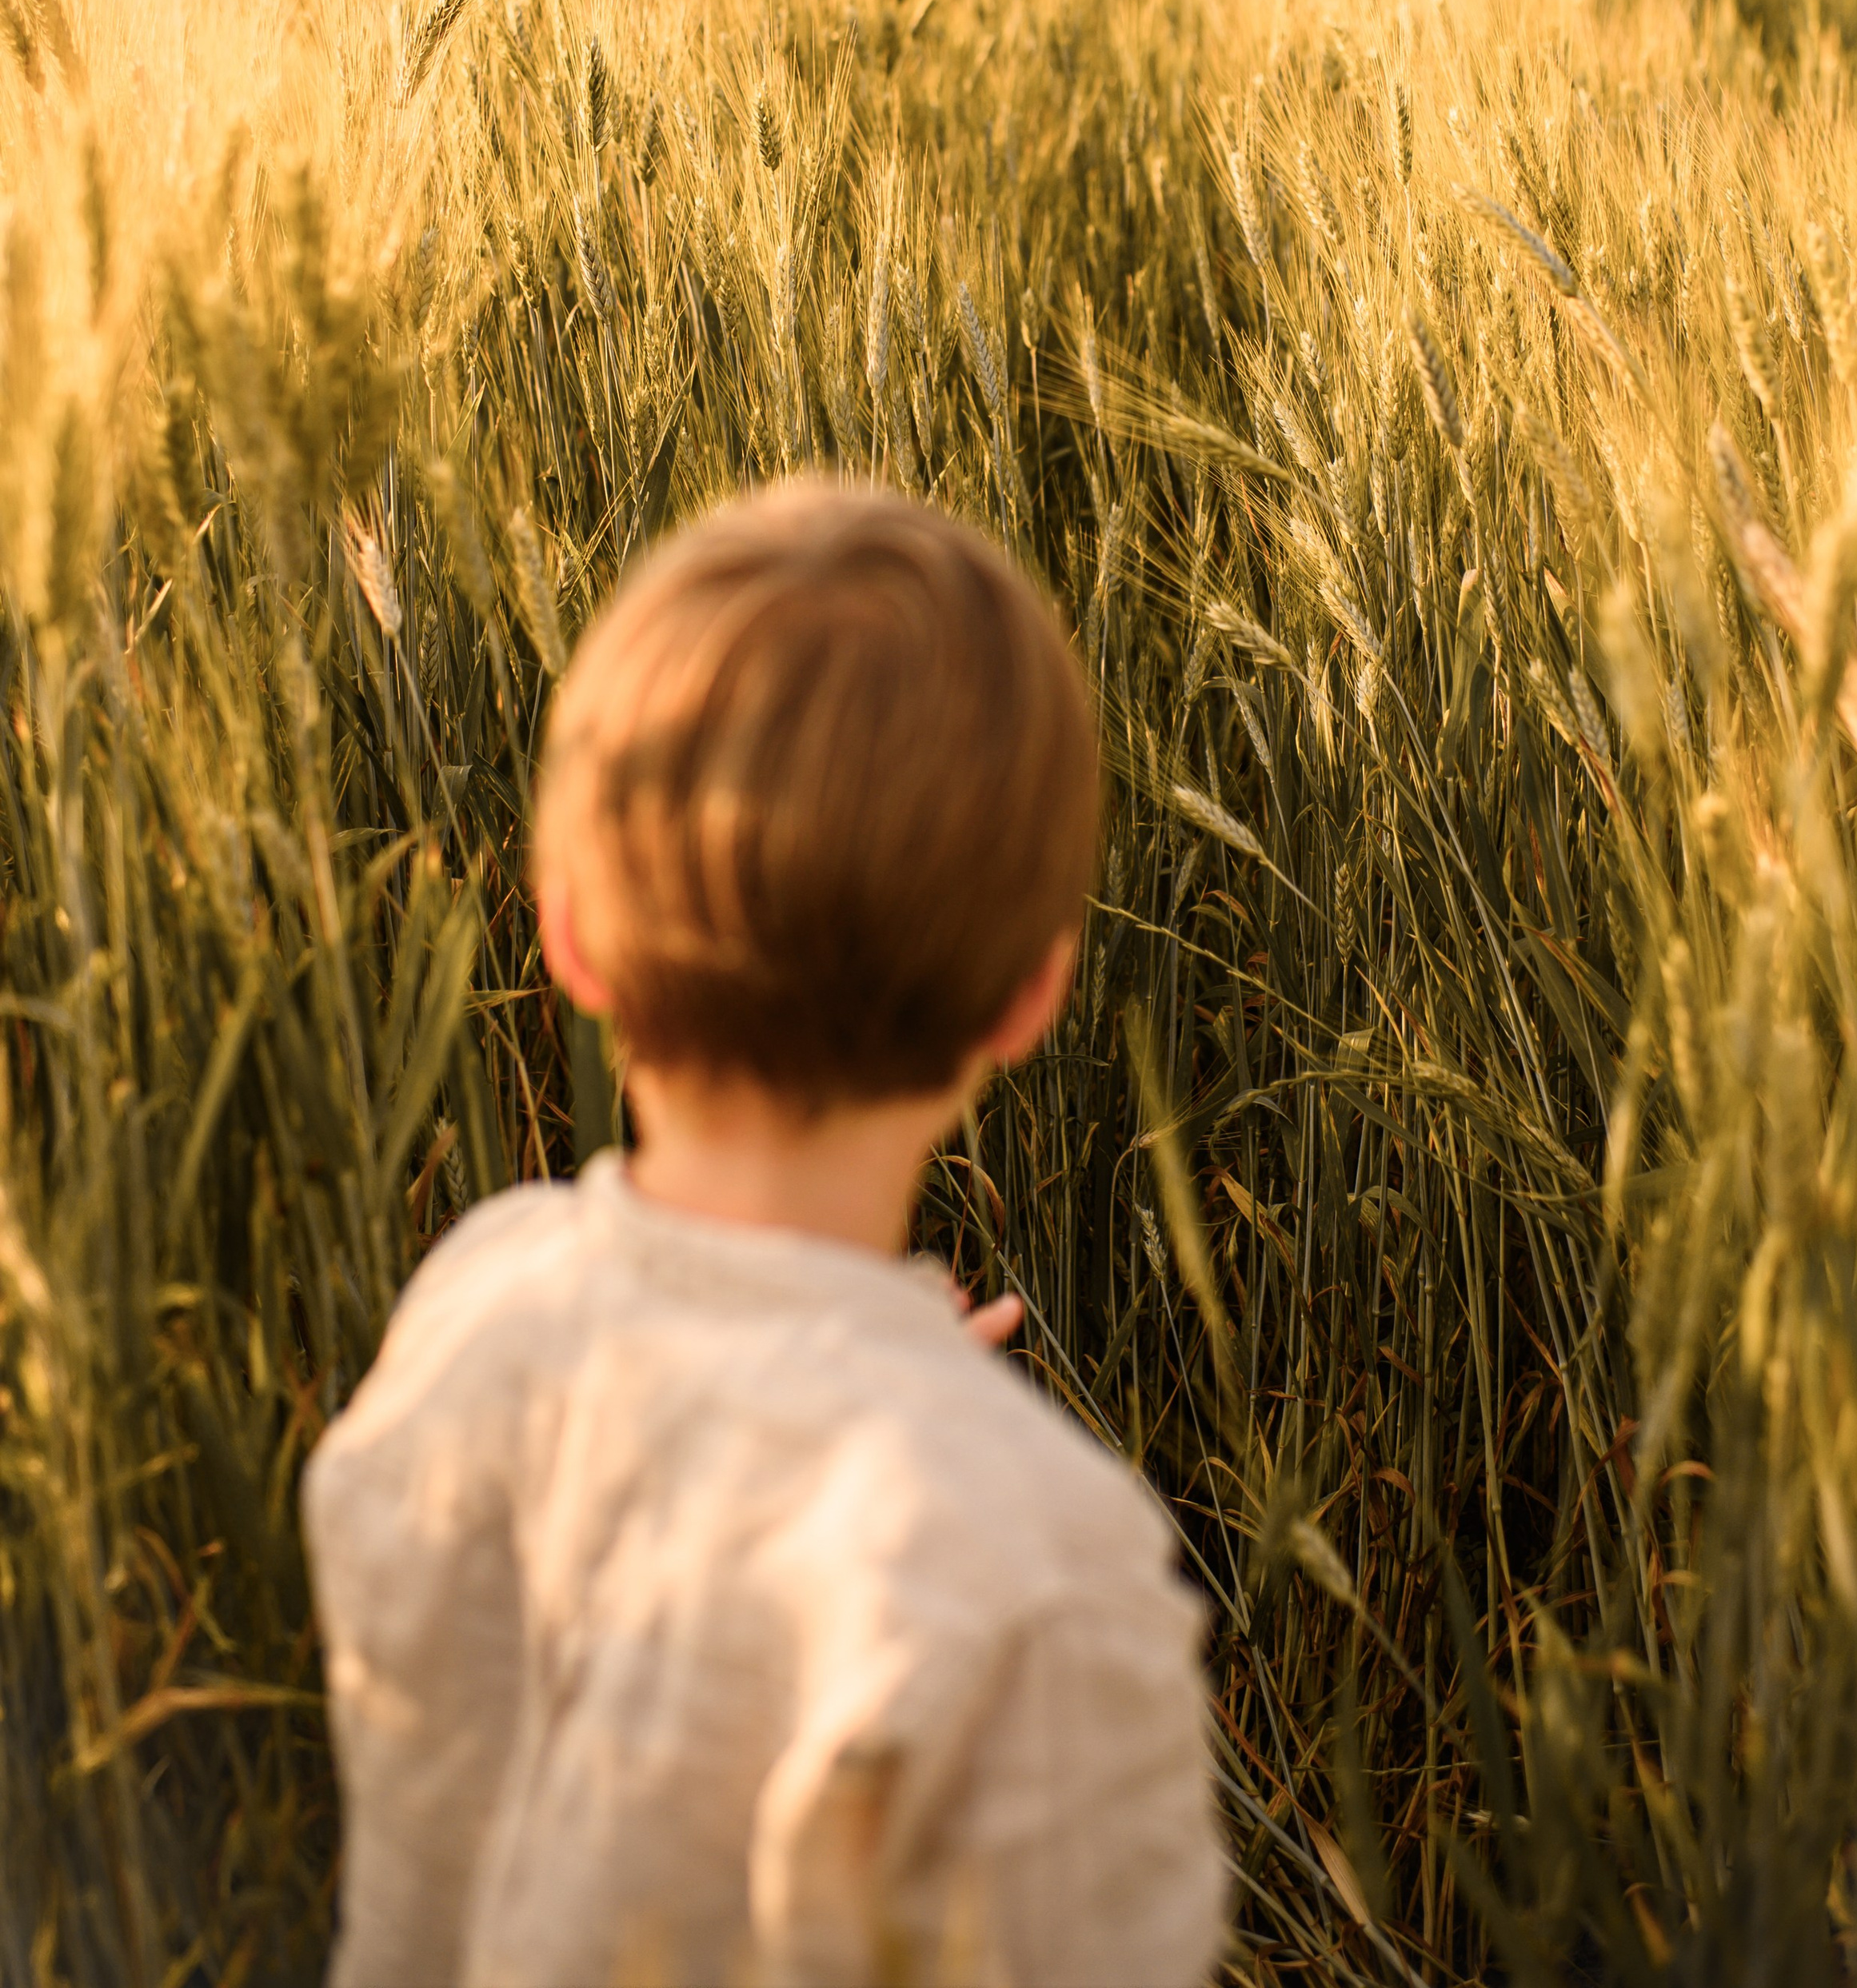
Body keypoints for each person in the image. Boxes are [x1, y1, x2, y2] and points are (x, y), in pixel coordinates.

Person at [303, 479, 1226, 1987]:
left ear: (571, 935)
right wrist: (909, 1415)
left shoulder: (474, 1305)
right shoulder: (1041, 1574)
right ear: (1035, 993)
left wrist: (881, 1387)